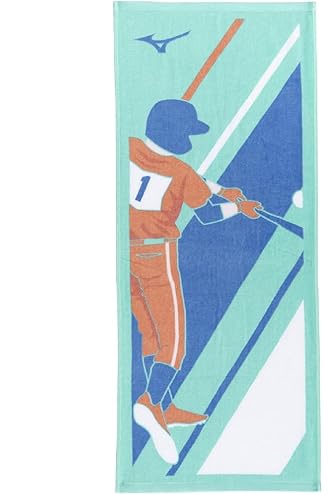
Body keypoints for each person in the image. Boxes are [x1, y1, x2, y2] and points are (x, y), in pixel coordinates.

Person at [129, 99, 262, 464]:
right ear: (175, 135)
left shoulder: (130, 147)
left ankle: (164, 405)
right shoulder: (181, 172)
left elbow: (188, 181)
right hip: (157, 255)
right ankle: (149, 403)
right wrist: (239, 207)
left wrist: (220, 190)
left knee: (150, 331)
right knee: (173, 342)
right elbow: (206, 216)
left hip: (124, 251)